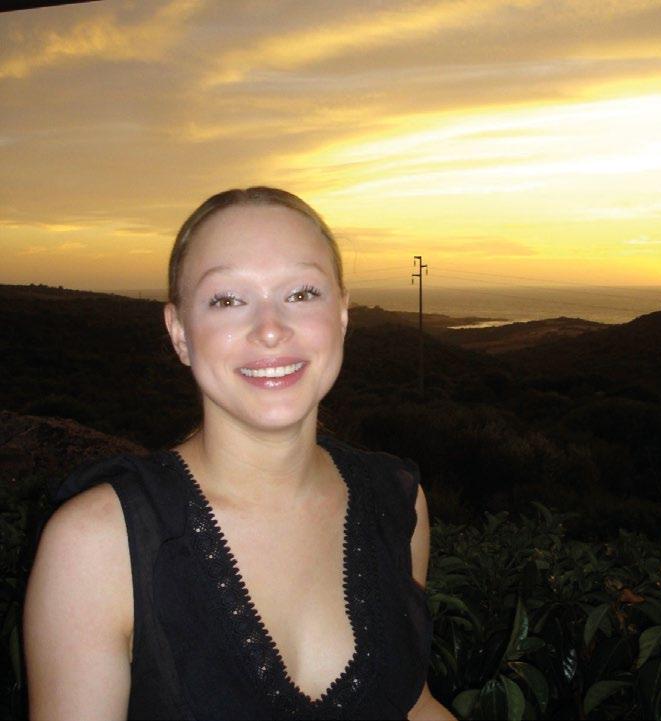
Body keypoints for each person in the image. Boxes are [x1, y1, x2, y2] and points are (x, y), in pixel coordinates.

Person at [24, 187, 455, 720]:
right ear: (179, 333)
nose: (271, 329)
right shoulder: (98, 544)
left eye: (302, 293)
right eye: (227, 300)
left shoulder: (397, 503)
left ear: (343, 315)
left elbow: (412, 704)